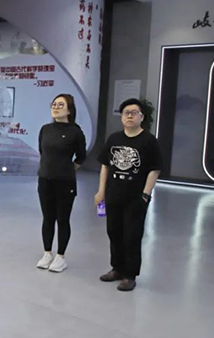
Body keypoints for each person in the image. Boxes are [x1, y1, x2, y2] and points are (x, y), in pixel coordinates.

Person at [94, 98, 162, 292]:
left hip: (136, 197)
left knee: (132, 235)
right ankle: (117, 268)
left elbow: (155, 169)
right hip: (113, 195)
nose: (130, 116)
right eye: (126, 113)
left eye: (134, 113)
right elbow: (105, 166)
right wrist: (101, 191)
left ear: (142, 117)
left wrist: (145, 194)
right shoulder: (114, 139)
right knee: (113, 232)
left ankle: (130, 275)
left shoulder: (149, 141)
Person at [36, 94, 86, 272]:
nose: (56, 107)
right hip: (45, 180)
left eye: (60, 105)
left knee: (63, 219)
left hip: (65, 183)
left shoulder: (75, 131)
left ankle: (61, 256)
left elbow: (81, 157)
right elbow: (42, 151)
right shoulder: (45, 129)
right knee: (47, 218)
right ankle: (47, 253)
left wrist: (67, 170)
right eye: (54, 104)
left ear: (69, 110)